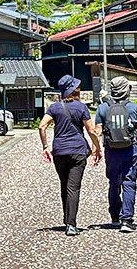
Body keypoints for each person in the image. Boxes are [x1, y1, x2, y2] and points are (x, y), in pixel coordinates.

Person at [38, 75, 102, 236]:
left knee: (64, 185)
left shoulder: (54, 107)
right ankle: (71, 224)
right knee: (73, 187)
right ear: (75, 90)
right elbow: (91, 131)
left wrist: (45, 146)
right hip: (78, 151)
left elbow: (41, 126)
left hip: (59, 151)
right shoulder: (81, 108)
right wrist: (97, 148)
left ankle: (67, 219)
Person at [95, 76, 137, 233]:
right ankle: (127, 220)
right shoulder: (134, 107)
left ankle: (115, 216)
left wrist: (95, 149)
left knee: (114, 181)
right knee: (129, 181)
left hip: (111, 150)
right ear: (126, 90)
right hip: (130, 149)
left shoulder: (103, 108)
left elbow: (97, 131)